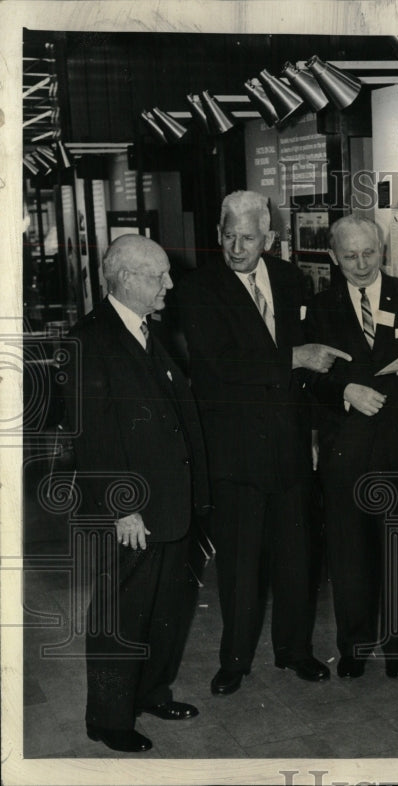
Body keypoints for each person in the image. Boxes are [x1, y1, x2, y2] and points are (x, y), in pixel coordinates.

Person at [175, 190, 349, 696]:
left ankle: (295, 650)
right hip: (234, 452)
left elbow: (312, 364)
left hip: (291, 447)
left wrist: (318, 426)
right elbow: (217, 366)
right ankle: (235, 659)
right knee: (240, 564)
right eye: (228, 235)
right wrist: (295, 358)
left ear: (269, 238)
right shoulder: (197, 289)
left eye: (247, 237)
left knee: (297, 556)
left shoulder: (292, 279)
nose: (236, 246)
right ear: (218, 234)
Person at [67, 235, 208, 753]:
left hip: (169, 507)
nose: (169, 284)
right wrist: (122, 507)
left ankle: (151, 692)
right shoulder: (90, 339)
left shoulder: (149, 332)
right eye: (160, 276)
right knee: (120, 614)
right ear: (126, 278)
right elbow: (94, 437)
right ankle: (107, 718)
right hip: (132, 513)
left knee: (165, 608)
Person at [306, 214, 398, 679]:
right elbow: (306, 378)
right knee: (349, 557)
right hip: (346, 451)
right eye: (349, 256)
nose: (360, 263)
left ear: (383, 250)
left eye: (368, 253)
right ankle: (353, 647)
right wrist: (343, 392)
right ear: (333, 257)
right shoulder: (318, 307)